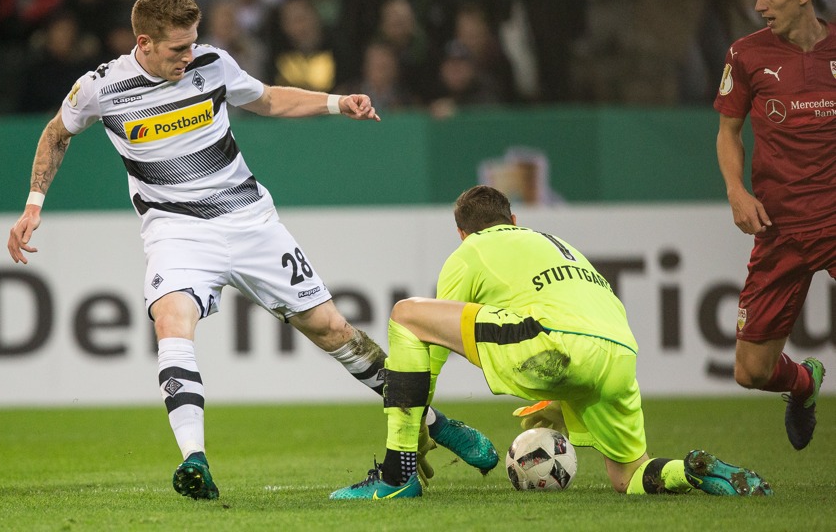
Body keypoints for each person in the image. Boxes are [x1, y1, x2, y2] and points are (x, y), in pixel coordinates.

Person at [5, 0, 497, 501]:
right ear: (144, 42)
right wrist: (33, 205)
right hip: (177, 230)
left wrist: (336, 103)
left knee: (332, 330)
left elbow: (265, 98)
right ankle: (194, 460)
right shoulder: (100, 86)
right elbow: (57, 133)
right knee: (171, 319)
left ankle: (438, 424)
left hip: (250, 221)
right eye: (177, 48)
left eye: (193, 43)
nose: (189, 56)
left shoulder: (212, 63)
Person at [331, 185, 772, 499]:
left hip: (552, 343)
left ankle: (396, 475)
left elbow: (430, 350)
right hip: (619, 354)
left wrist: (419, 427)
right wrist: (562, 395)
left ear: (462, 233)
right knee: (629, 477)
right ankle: (689, 474)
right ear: (515, 221)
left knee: (407, 314)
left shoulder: (471, 250)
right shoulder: (557, 243)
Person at [714, 0, 831, 451]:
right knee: (751, 371)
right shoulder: (746, 53)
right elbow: (728, 132)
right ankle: (803, 384)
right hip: (778, 225)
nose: (760, 4)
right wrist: (736, 190)